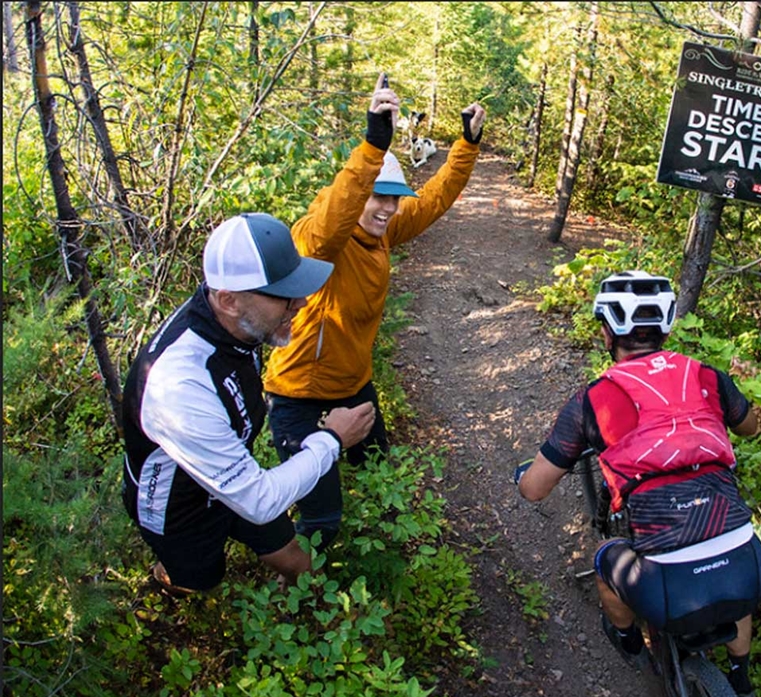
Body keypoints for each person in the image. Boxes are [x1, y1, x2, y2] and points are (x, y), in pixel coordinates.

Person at [515, 271, 761, 697]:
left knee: (605, 562)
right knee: (732, 549)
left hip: (666, 585)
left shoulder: (593, 400)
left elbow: (535, 489)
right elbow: (750, 426)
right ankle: (741, 680)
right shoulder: (707, 376)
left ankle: (630, 643)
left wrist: (521, 477)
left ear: (606, 332)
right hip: (747, 567)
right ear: (667, 326)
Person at [263, 72, 487, 549]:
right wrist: (372, 147)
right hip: (300, 398)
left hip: (354, 387)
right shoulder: (318, 241)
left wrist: (464, 147)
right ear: (357, 192)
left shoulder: (381, 233)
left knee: (384, 484)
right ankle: (304, 601)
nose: (387, 208)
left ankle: (380, 577)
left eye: (392, 198)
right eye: (377, 196)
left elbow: (430, 202)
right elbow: (335, 216)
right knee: (321, 520)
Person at [122, 212, 377, 593]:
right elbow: (258, 500)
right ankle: (166, 581)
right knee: (199, 581)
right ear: (228, 300)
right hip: (178, 504)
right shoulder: (180, 384)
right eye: (284, 295)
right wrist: (333, 440)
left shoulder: (241, 327)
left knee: (294, 555)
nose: (302, 302)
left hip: (233, 470)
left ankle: (304, 604)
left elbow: (252, 494)